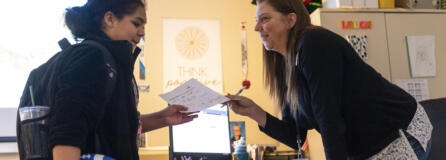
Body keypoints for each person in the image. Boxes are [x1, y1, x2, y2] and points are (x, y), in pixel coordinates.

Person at [226, 0, 433, 159]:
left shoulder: (313, 44)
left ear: (290, 20)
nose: (257, 28)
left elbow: (329, 120)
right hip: (367, 146)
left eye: (264, 19)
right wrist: (254, 111)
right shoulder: (287, 65)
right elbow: (294, 136)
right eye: (257, 21)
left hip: (397, 133)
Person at [48, 0, 197, 160]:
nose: (142, 32)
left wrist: (162, 118)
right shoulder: (92, 57)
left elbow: (116, 125)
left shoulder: (111, 61)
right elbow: (67, 130)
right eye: (136, 23)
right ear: (110, 19)